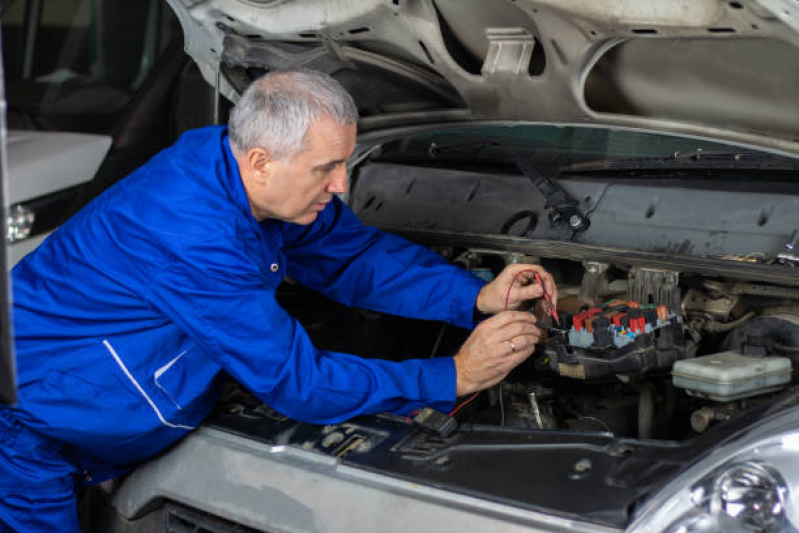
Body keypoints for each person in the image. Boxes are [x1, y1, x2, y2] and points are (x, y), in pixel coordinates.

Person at [0, 68, 556, 532]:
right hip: (31, 438)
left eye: (345, 162)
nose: (341, 185)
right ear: (263, 161)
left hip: (91, 409)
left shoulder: (241, 175)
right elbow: (299, 383)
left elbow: (353, 257)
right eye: (326, 169)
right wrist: (453, 376)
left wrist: (475, 295)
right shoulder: (192, 233)